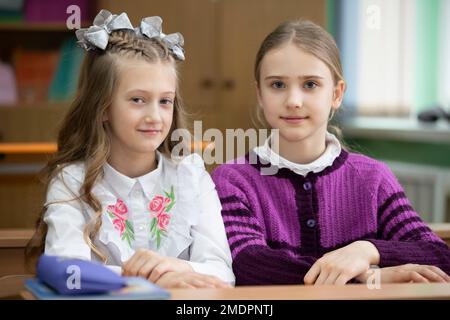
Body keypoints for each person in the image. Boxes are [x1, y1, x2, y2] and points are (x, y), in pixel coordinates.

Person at [211, 19, 450, 285]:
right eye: (277, 85)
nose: (293, 101)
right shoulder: (232, 180)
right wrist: (367, 277)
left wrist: (366, 250)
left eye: (310, 84)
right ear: (260, 94)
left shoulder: (373, 178)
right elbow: (250, 264)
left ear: (336, 94)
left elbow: (438, 256)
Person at [26, 10, 234, 289]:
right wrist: (148, 278)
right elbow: (70, 272)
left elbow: (222, 273)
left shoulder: (192, 176)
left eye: (165, 101)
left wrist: (172, 267)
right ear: (102, 109)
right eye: (138, 100)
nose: (155, 116)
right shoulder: (71, 181)